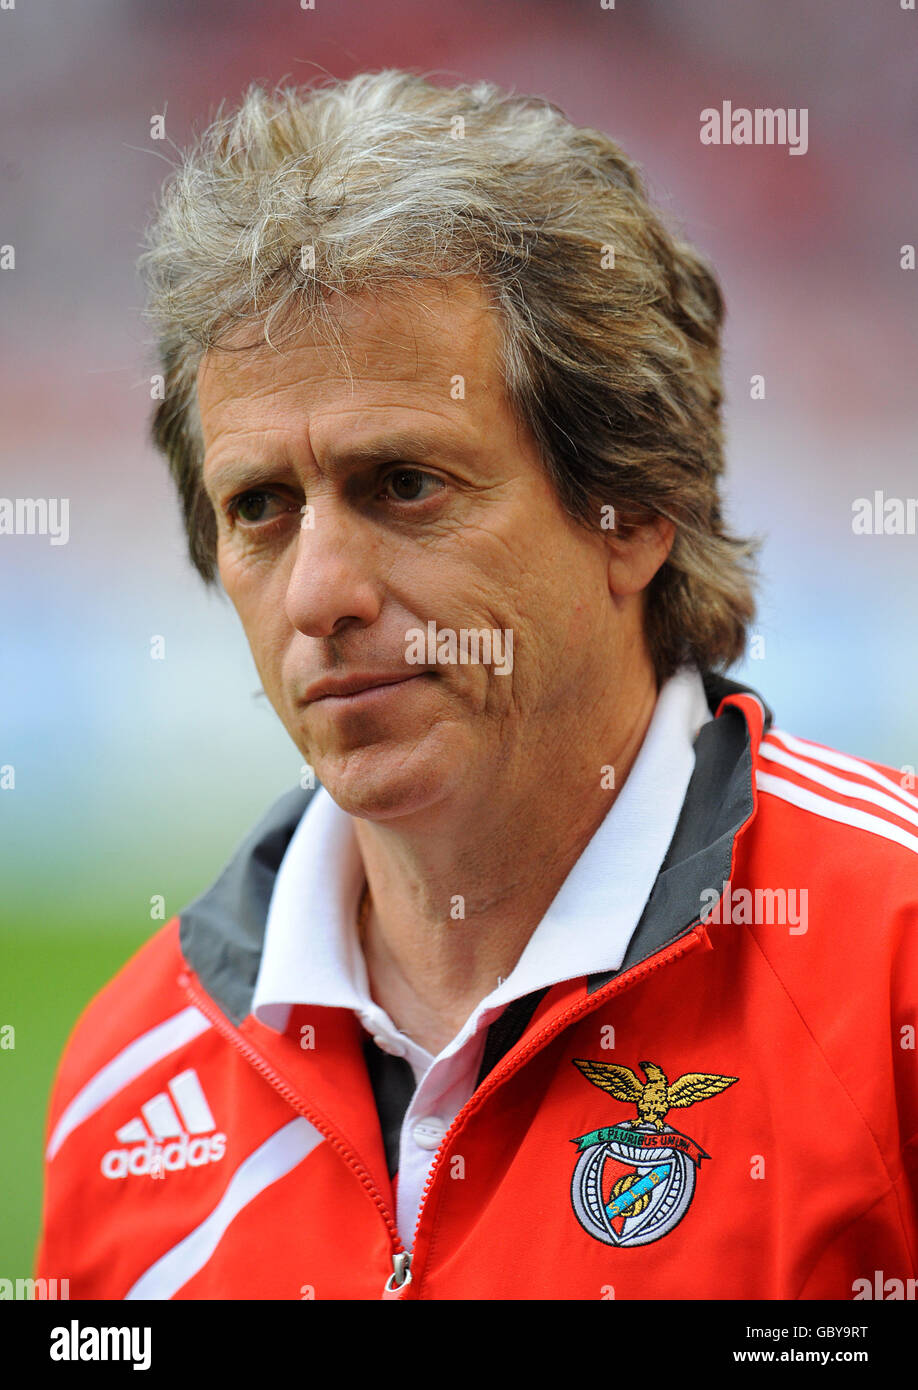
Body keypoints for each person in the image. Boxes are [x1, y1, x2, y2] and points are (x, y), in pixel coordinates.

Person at [36, 70, 917, 1300]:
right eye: (261, 510)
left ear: (634, 509)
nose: (320, 592)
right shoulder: (127, 1084)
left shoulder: (892, 965)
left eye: (403, 483)